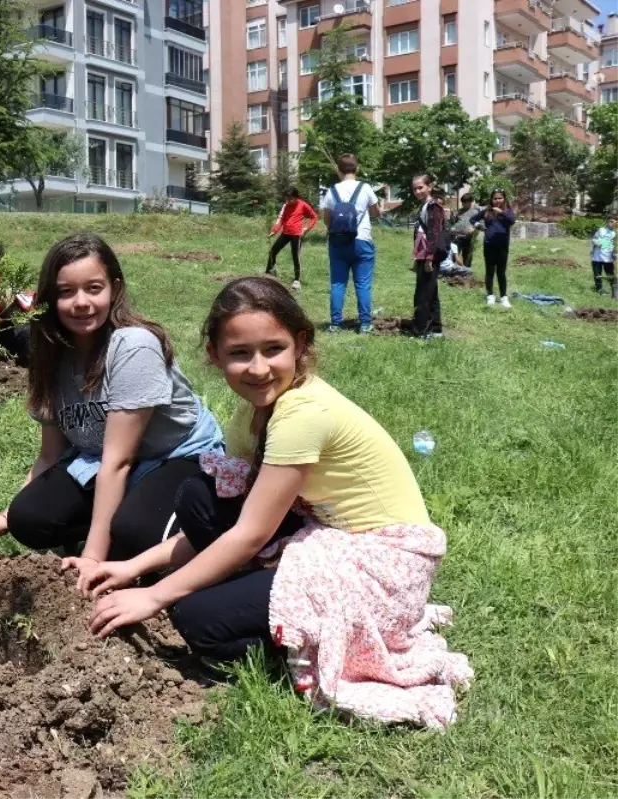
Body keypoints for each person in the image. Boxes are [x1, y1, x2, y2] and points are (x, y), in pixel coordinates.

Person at [81, 276, 472, 729]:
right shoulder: (251, 413)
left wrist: (153, 594)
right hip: (328, 538)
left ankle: (312, 641)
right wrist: (132, 567)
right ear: (215, 355)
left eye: (273, 349)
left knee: (197, 620)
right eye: (240, 353)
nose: (258, 368)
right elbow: (237, 524)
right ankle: (264, 603)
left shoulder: (302, 414)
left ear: (299, 344)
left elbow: (249, 536)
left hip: (382, 565)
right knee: (200, 497)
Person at [0, 233, 224, 593]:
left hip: (175, 457)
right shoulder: (49, 354)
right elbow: (50, 455)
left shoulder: (133, 347)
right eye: (66, 292)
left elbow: (119, 460)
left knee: (136, 533)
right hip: (101, 461)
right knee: (29, 519)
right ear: (49, 298)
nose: (81, 302)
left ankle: (154, 538)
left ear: (114, 288)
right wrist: (6, 515)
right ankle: (116, 528)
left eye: (93, 288)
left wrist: (94, 560)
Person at [319, 154, 380, 335]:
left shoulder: (332, 191)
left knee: (338, 283)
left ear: (338, 170)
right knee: (362, 284)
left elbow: (327, 221)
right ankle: (365, 324)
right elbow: (376, 212)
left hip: (338, 242)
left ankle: (336, 324)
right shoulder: (366, 188)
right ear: (357, 168)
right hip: (362, 240)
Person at [410, 175, 445, 340]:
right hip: (423, 255)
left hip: (430, 255)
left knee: (423, 294)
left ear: (429, 187)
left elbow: (434, 233)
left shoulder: (433, 207)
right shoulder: (424, 206)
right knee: (431, 291)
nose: (417, 191)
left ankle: (420, 331)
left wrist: (429, 258)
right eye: (415, 188)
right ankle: (436, 328)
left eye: (420, 187)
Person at [471, 189, 516, 309]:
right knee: (489, 272)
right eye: (495, 198)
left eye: (500, 198)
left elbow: (512, 221)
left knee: (501, 272)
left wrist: (501, 212)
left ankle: (503, 297)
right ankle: (490, 296)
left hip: (502, 246)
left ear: (504, 199)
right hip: (489, 245)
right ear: (491, 200)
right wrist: (479, 226)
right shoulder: (487, 211)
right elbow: (473, 219)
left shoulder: (508, 211)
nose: (497, 200)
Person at [266, 187, 317, 290]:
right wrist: (274, 231)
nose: (288, 201)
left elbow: (314, 217)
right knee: (272, 252)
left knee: (295, 257)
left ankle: (297, 281)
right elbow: (282, 219)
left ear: (296, 197)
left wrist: (306, 229)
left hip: (297, 235)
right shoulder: (286, 205)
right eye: (286, 198)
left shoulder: (303, 205)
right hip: (285, 233)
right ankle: (268, 273)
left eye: (290, 199)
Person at [449, 193, 482, 270]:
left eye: (466, 202)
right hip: (458, 238)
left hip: (470, 238)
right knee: (454, 255)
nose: (464, 204)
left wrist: (474, 229)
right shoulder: (459, 212)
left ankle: (466, 272)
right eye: (463, 202)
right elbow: (453, 224)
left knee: (467, 257)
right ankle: (451, 271)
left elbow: (480, 223)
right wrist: (452, 218)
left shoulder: (475, 212)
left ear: (470, 202)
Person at [590, 216, 616, 298]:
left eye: (614, 222)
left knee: (610, 275)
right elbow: (594, 239)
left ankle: (614, 291)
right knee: (597, 275)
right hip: (597, 258)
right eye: (610, 221)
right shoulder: (601, 230)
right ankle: (599, 290)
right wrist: (598, 243)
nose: (612, 223)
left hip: (608, 258)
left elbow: (613, 245)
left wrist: (614, 253)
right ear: (608, 222)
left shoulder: (614, 233)